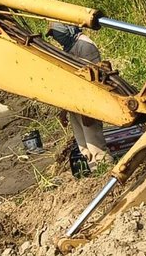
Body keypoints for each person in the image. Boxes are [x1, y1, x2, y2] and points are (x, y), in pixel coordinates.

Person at [48, 23, 113, 174]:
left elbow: (92, 76)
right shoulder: (68, 48)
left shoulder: (85, 45)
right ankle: (94, 171)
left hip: (86, 101)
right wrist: (64, 110)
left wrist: (87, 106)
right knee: (83, 143)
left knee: (94, 141)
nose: (56, 38)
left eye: (56, 34)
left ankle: (106, 169)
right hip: (74, 101)